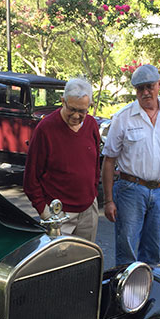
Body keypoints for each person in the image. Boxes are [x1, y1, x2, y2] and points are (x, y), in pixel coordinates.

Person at [102, 64, 160, 265]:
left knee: (152, 250)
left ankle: (147, 283)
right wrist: (108, 200)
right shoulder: (123, 117)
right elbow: (109, 160)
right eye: (140, 88)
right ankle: (124, 284)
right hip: (130, 190)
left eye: (149, 86)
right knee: (127, 250)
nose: (145, 92)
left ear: (159, 84)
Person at [23, 77, 101, 241]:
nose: (76, 116)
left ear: (89, 106)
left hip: (88, 210)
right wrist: (45, 213)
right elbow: (31, 178)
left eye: (82, 111)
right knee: (59, 257)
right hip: (59, 214)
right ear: (63, 101)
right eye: (72, 109)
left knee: (86, 256)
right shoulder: (46, 128)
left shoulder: (92, 125)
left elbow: (95, 164)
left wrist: (93, 193)